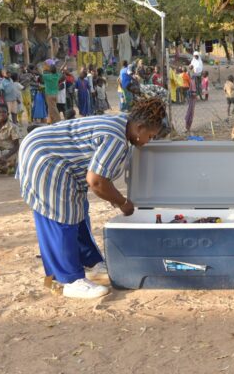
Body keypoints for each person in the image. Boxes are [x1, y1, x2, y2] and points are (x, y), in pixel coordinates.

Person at [17, 97, 168, 299]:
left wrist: (114, 196)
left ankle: (90, 261)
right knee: (60, 218)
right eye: (150, 136)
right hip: (44, 158)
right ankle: (68, 280)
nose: (148, 141)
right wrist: (122, 203)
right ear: (139, 128)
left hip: (45, 149)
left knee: (77, 212)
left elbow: (99, 176)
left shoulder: (122, 124)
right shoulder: (116, 139)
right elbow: (96, 181)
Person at [184, 68, 197, 133]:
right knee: (190, 112)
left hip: (191, 98)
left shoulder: (192, 81)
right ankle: (187, 126)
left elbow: (193, 91)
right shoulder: (191, 81)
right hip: (191, 98)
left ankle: (188, 126)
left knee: (190, 112)